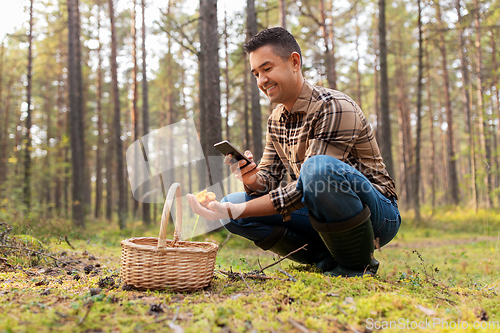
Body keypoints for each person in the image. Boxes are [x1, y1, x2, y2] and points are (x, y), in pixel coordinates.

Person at [187, 27, 401, 277]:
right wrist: (250, 179)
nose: (261, 80)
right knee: (230, 206)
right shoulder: (275, 120)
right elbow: (267, 182)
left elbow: (310, 185)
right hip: (316, 208)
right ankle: (325, 260)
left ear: (294, 62)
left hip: (378, 214)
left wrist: (242, 209)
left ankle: (356, 267)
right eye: (256, 73)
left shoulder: (335, 107)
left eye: (267, 69)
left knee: (316, 169)